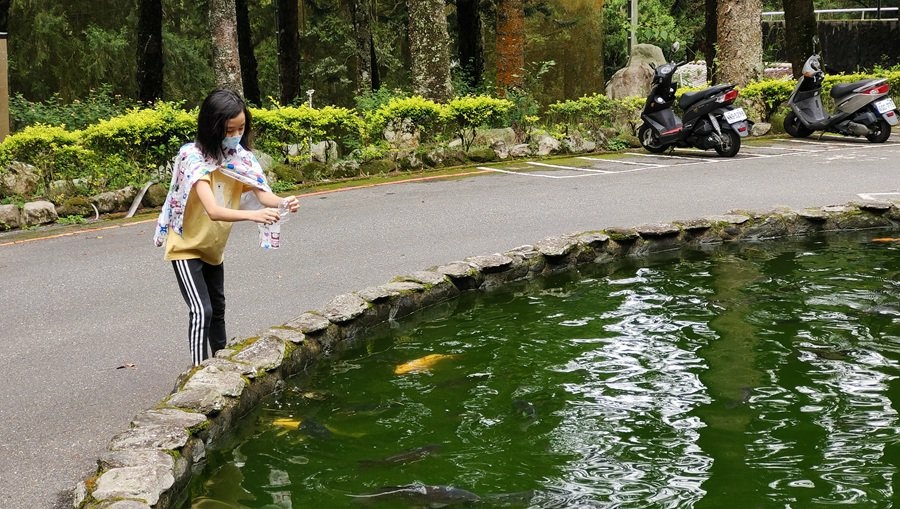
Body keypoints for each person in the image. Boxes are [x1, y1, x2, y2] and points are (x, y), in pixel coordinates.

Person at [153, 89, 299, 366]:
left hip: (213, 248)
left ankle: (221, 366)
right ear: (212, 127)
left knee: (218, 310)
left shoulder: (240, 158)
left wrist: (283, 202)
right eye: (229, 129)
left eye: (241, 128)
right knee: (202, 311)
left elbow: (261, 194)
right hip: (186, 246)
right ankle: (197, 374)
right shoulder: (193, 159)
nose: (235, 134)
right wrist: (255, 217)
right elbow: (213, 210)